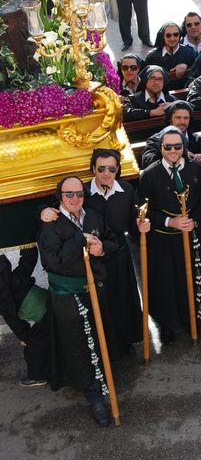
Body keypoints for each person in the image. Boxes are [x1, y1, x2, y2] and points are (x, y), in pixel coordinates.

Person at [41, 151, 149, 356]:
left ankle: (124, 342)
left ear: (117, 170)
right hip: (91, 259)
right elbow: (60, 208)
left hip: (117, 253)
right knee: (102, 303)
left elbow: (134, 226)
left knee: (121, 298)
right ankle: (105, 347)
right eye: (101, 168)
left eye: (112, 168)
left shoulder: (126, 190)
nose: (107, 173)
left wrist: (141, 225)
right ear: (93, 169)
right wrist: (42, 212)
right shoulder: (83, 193)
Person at [38, 176, 117, 426]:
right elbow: (52, 262)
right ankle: (93, 395)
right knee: (78, 346)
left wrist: (102, 248)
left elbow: (115, 241)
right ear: (59, 196)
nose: (75, 199)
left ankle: (105, 380)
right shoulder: (50, 224)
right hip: (67, 295)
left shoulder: (93, 216)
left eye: (79, 194)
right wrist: (78, 241)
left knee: (99, 337)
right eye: (69, 194)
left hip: (95, 289)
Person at [138, 126, 201, 344]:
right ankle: (167, 325)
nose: (172, 150)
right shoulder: (149, 175)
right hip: (164, 238)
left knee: (194, 278)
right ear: (160, 148)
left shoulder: (197, 170)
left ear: (184, 147)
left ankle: (193, 318)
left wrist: (194, 220)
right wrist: (171, 221)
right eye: (167, 146)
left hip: (192, 234)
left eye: (177, 146)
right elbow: (144, 210)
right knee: (166, 283)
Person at [0, 248, 50, 387]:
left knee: (33, 346)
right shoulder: (16, 276)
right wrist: (25, 242)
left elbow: (9, 314)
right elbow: (29, 257)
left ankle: (38, 376)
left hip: (49, 315)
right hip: (55, 303)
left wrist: (24, 336)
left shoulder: (4, 295)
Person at [141, 100, 201, 168]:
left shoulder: (197, 139)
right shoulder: (155, 140)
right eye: (178, 117)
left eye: (186, 118)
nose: (182, 122)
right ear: (169, 119)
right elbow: (147, 162)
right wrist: (175, 154)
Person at [144, 22, 197, 89]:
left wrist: (186, 65)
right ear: (163, 36)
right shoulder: (152, 56)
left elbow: (197, 73)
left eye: (175, 35)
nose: (172, 39)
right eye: (168, 35)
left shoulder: (189, 52)